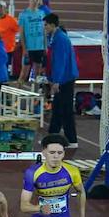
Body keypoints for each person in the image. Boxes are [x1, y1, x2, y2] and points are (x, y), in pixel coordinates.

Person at [43, 13, 80, 149]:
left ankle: (72, 139)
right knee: (58, 108)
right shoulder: (53, 37)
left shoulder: (60, 40)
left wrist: (56, 81)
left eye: (46, 25)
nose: (44, 27)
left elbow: (60, 61)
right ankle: (52, 136)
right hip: (62, 78)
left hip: (65, 80)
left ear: (52, 25)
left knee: (65, 109)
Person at [17, 0, 50, 81]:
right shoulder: (23, 14)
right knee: (24, 73)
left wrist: (45, 46)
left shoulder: (41, 13)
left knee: (37, 75)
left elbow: (44, 31)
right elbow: (22, 33)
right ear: (29, 0)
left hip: (39, 47)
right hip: (29, 48)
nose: (35, 1)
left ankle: (34, 93)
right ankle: (17, 93)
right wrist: (24, 48)